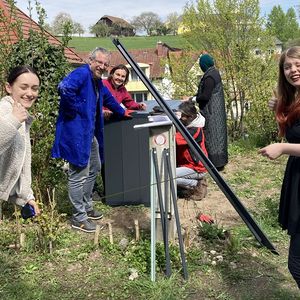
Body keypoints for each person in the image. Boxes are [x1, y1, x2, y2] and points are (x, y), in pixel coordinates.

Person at [51, 47, 127, 233]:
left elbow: (109, 99)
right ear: (90, 60)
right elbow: (64, 88)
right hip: (76, 133)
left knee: (95, 167)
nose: (101, 66)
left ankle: (85, 205)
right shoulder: (82, 73)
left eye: (105, 64)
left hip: (88, 133)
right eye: (99, 62)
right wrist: (76, 111)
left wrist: (123, 113)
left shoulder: (97, 81)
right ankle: (79, 217)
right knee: (79, 173)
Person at [258, 46, 300, 288]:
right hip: (297, 178)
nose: (292, 70)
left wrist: (282, 148)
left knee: (296, 264)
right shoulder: (294, 97)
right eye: (287, 66)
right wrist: (281, 109)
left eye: (297, 64)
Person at [0, 65, 41, 217]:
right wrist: (13, 121)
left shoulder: (20, 115)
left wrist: (26, 197)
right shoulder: (5, 111)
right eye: (24, 87)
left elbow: (20, 162)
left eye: (34, 88)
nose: (30, 93)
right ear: (9, 87)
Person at [195, 53, 228, 171]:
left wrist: (193, 99)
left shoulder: (209, 77)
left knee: (212, 136)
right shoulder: (214, 73)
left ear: (204, 64)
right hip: (216, 111)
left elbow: (205, 96)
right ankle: (219, 161)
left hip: (212, 112)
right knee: (218, 137)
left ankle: (214, 163)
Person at [176, 100, 208, 200]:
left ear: (190, 117)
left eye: (183, 116)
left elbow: (175, 139)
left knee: (168, 176)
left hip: (197, 168)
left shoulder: (194, 130)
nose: (181, 118)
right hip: (188, 166)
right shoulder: (189, 125)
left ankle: (196, 184)